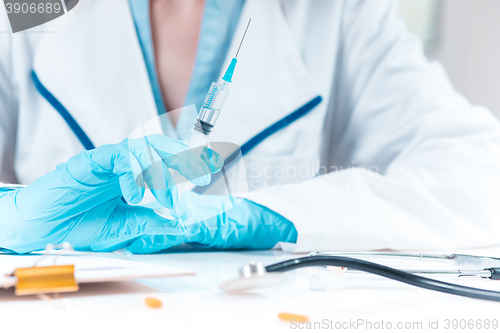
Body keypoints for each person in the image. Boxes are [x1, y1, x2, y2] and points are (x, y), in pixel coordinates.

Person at [1, 0, 500, 254]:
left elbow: (481, 174)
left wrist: (278, 214)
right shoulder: (26, 10)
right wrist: (9, 215)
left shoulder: (337, 12)